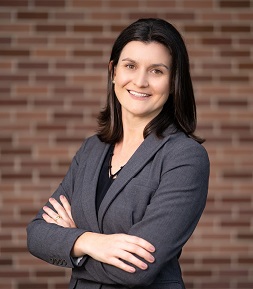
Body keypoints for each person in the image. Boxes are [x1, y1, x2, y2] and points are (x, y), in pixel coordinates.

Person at [27, 18, 210, 289]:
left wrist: (71, 242)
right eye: (130, 66)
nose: (140, 81)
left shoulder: (184, 157)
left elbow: (136, 269)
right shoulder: (92, 149)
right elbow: (37, 234)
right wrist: (89, 242)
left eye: (157, 71)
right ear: (113, 71)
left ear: (173, 82)